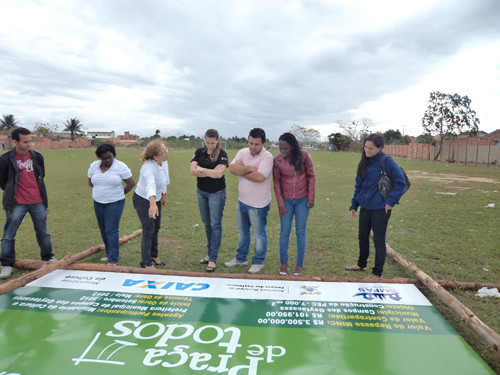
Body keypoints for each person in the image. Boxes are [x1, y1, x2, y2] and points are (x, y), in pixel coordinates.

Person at [346, 133, 406, 279]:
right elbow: (359, 185)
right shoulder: (364, 162)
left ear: (380, 148)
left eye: (371, 148)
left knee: (379, 239)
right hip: (365, 206)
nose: (367, 150)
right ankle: (361, 264)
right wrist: (354, 204)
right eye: (365, 147)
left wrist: (390, 202)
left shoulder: (387, 161)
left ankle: (377, 272)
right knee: (362, 236)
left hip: (380, 208)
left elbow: (400, 182)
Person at [0, 127, 56, 279]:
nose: (29, 144)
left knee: (43, 232)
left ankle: (48, 257)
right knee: (9, 234)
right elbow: (4, 182)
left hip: (38, 201)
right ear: (15, 141)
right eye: (25, 142)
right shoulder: (5, 159)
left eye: (30, 141)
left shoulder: (37, 157)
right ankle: (6, 264)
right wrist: (15, 194)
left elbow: (41, 175)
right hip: (17, 202)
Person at [224, 128, 273, 274]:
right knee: (243, 232)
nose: (253, 147)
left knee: (259, 234)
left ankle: (258, 262)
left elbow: (260, 178)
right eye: (251, 143)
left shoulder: (267, 157)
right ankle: (241, 259)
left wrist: (242, 170)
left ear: (263, 143)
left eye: (257, 144)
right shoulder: (242, 152)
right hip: (242, 201)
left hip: (259, 204)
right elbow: (232, 169)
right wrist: (250, 169)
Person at [273, 133, 316, 276]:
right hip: (286, 201)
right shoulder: (277, 160)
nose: (283, 151)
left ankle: (299, 265)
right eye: (280, 148)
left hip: (302, 200)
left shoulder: (304, 156)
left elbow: (311, 175)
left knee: (300, 232)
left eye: (286, 148)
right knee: (284, 232)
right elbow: (277, 183)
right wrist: (280, 202)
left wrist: (310, 197)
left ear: (292, 146)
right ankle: (283, 264)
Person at [88, 143, 135, 266]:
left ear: (113, 155)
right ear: (100, 158)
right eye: (104, 158)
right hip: (98, 202)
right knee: (103, 230)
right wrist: (101, 191)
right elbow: (90, 182)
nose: (107, 160)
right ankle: (109, 253)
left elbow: (131, 183)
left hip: (115, 202)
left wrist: (120, 193)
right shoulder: (94, 166)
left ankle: (113, 260)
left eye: (110, 157)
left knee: (111, 230)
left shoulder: (120, 167)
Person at [190, 129, 228, 272]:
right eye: (207, 142)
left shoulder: (222, 154)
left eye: (213, 143)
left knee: (215, 225)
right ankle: (209, 253)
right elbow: (192, 171)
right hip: (201, 192)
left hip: (217, 194)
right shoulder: (199, 152)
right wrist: (209, 172)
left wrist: (203, 170)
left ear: (218, 140)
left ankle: (212, 258)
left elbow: (219, 174)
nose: (210, 145)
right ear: (204, 140)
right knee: (207, 224)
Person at [133, 140, 170, 268]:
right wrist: (152, 204)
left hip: (156, 198)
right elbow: (151, 185)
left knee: (156, 227)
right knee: (148, 230)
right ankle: (146, 263)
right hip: (143, 199)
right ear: (155, 156)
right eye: (164, 152)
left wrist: (163, 195)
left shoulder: (163, 162)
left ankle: (154, 255)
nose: (167, 153)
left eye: (166, 149)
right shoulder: (148, 168)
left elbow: (165, 178)